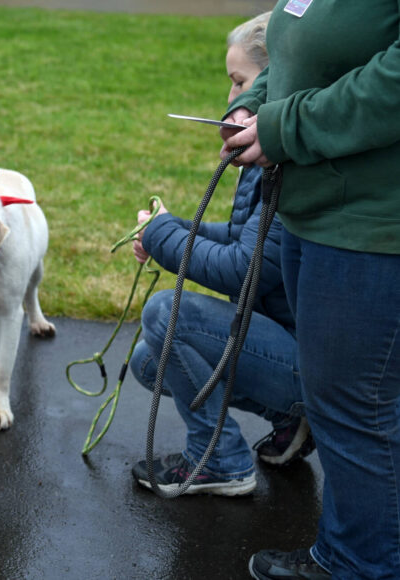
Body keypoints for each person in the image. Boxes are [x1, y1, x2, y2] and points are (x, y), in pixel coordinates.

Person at [218, 2, 400, 578]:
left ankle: (362, 565)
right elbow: (296, 55)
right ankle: (351, 554)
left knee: (359, 410)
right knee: (343, 406)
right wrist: (257, 101)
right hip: (315, 214)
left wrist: (283, 127)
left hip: (369, 228)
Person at [128, 12, 314, 497]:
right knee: (151, 361)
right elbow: (242, 238)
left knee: (166, 314)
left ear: (279, 77)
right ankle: (289, 419)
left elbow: (242, 268)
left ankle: (221, 461)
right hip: (288, 345)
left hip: (313, 365)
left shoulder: (290, 164)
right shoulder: (267, 156)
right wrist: (165, 231)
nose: (233, 97)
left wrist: (165, 237)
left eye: (241, 82)